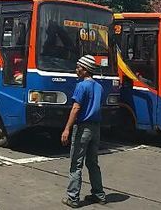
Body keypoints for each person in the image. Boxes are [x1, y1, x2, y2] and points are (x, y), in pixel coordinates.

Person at [61, 55, 106, 208]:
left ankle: (73, 198)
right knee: (93, 163)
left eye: (79, 67)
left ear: (85, 70)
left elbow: (76, 108)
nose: (76, 69)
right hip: (96, 128)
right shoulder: (99, 87)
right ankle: (99, 194)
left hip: (83, 128)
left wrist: (67, 128)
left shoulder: (81, 86)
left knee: (76, 164)